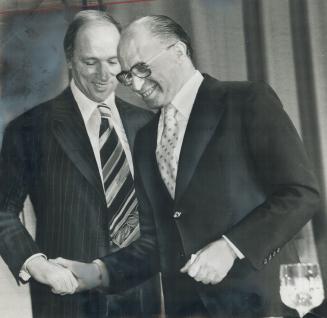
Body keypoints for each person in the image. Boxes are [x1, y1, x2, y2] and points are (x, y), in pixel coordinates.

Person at [54, 15, 321, 317]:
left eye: (142, 68)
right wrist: (97, 272)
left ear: (178, 52)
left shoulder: (246, 101)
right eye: (128, 76)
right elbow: (157, 239)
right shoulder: (144, 139)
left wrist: (231, 247)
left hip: (259, 304)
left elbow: (301, 194)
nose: (137, 85)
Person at [0, 10, 160, 318]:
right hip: (67, 299)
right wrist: (36, 264)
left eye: (113, 62)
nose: (103, 74)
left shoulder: (147, 124)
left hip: (142, 298)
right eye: (90, 62)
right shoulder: (30, 128)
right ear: (70, 59)